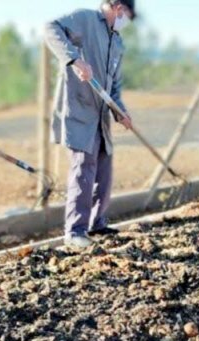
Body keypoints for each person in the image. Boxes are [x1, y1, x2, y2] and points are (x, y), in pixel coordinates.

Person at [44, 1, 137, 250]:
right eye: (127, 14)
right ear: (118, 7)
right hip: (79, 109)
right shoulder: (85, 19)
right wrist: (75, 60)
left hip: (101, 116)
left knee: (104, 170)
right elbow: (51, 29)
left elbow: (113, 86)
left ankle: (97, 223)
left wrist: (120, 112)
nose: (126, 20)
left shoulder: (117, 43)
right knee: (83, 169)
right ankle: (74, 232)